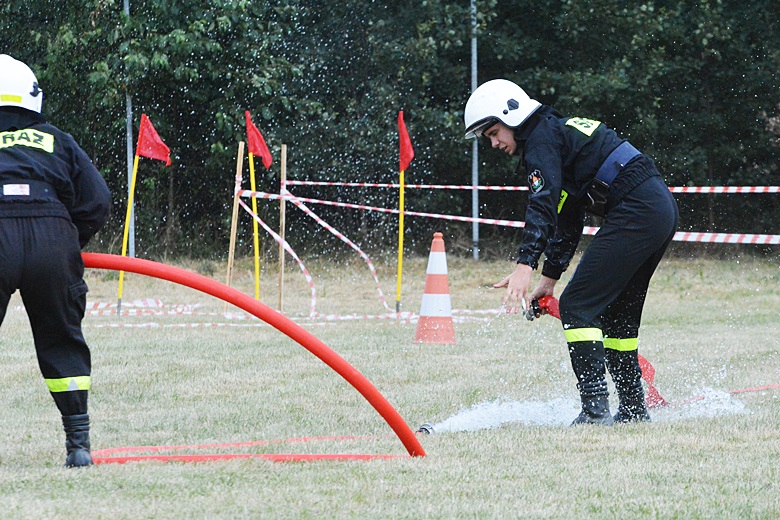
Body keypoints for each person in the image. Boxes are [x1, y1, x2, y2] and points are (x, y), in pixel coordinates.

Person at [464, 79, 678, 425]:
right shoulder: (553, 134)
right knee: (618, 316)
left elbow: (543, 204)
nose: (493, 143)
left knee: (578, 306)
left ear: (512, 115)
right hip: (657, 209)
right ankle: (634, 409)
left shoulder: (540, 140)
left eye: (492, 132)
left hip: (638, 209)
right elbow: (568, 216)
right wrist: (549, 279)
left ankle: (594, 411)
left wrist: (525, 264)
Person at [0, 55, 111, 465]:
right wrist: (67, 243)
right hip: (51, 233)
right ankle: (78, 447)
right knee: (61, 341)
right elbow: (97, 201)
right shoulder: (57, 139)